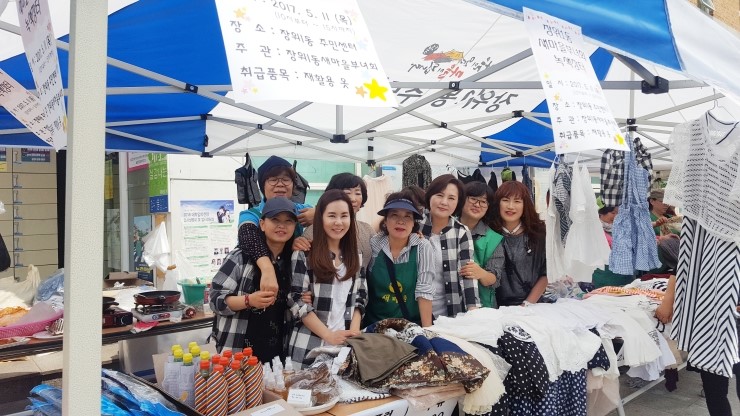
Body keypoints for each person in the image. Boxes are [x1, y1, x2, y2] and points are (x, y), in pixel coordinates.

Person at [210, 197, 297, 361]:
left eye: (288, 221)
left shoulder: (292, 261)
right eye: (275, 220)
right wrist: (248, 300)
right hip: (237, 352)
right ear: (262, 224)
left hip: (277, 355)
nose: (282, 225)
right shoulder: (240, 257)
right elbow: (215, 300)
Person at [288, 190, 367, 368]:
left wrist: (354, 332)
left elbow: (361, 296)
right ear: (320, 218)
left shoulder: (356, 256)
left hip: (345, 347)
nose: (338, 222)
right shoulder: (304, 255)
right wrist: (329, 335)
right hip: (309, 346)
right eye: (332, 216)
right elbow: (297, 302)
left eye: (344, 216)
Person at [237, 156, 315, 303]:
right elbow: (247, 235)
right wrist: (267, 268)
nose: (280, 184)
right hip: (257, 285)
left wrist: (320, 213)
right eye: (273, 179)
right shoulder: (252, 214)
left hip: (291, 289)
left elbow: (337, 219)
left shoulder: (302, 211)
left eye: (286, 179)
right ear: (262, 186)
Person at [364, 192, 434, 327]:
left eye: (408, 216)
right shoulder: (374, 244)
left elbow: (424, 291)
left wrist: (427, 331)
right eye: (394, 215)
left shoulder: (422, 247)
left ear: (414, 223)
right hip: (375, 326)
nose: (401, 221)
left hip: (410, 326)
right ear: (385, 221)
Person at [420, 174, 479, 318]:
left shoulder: (461, 232)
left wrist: (473, 309)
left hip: (450, 312)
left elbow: (467, 274)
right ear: (430, 196)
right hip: (415, 311)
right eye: (439, 195)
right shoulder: (415, 225)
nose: (444, 202)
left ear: (458, 203)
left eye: (451, 198)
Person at [298, 173, 374, 268]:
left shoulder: (367, 230)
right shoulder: (313, 231)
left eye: (358, 193)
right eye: (347, 193)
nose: (353, 199)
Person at [490, 181, 547, 307]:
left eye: (517, 201)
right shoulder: (489, 233)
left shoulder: (538, 233)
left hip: (531, 306)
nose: (510, 206)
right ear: (498, 203)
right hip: (495, 308)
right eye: (505, 200)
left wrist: (526, 305)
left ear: (525, 205)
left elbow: (546, 273)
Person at [459, 182, 502, 308]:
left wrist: (481, 273)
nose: (477, 205)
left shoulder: (493, 238)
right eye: (473, 199)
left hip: (482, 305)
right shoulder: (446, 228)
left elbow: (494, 279)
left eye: (483, 202)